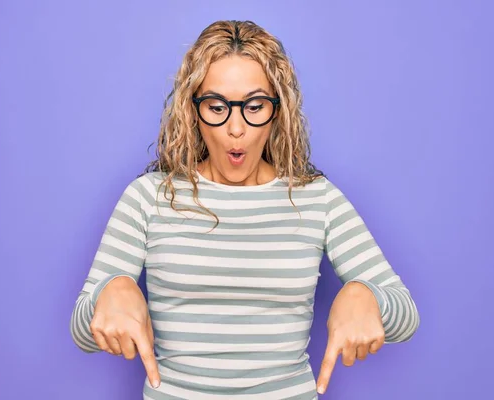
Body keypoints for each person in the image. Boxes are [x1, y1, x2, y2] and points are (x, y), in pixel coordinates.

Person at [70, 19, 420, 399]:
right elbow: (82, 329)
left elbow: (405, 315)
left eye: (254, 106)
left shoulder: (318, 200)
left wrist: (366, 295)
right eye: (217, 106)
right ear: (193, 111)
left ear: (278, 111)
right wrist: (113, 289)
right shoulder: (148, 198)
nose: (235, 128)